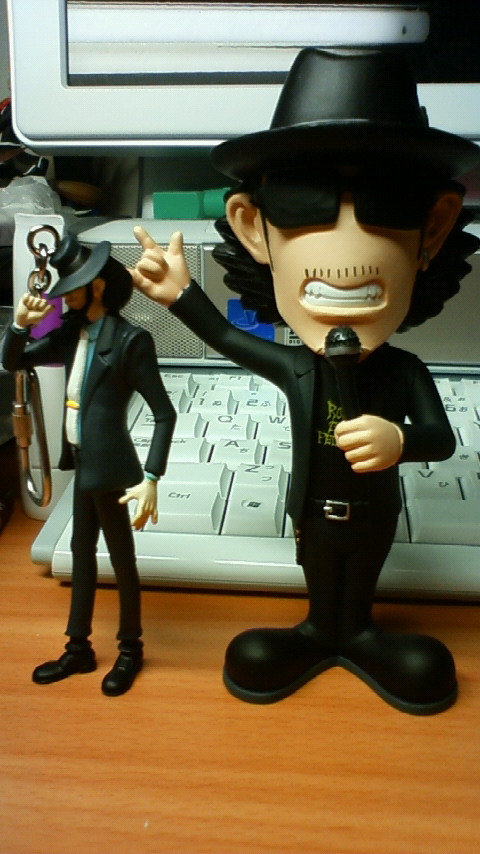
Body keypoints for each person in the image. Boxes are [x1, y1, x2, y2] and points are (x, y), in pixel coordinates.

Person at [131, 48, 480, 714]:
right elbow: (230, 339)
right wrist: (180, 295)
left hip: (375, 517)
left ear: (432, 230)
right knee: (322, 579)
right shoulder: (298, 366)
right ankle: (322, 632)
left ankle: (359, 633)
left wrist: (399, 441)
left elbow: (439, 438)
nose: (345, 238)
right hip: (314, 516)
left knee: (361, 580)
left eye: (385, 202)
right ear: (253, 228)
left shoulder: (403, 372)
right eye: (301, 203)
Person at [2, 234, 176, 696]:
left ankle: (130, 648)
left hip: (113, 472)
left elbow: (164, 413)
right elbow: (13, 362)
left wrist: (152, 477)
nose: (66, 296)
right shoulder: (68, 334)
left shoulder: (130, 340)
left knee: (121, 560)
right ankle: (78, 647)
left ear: (98, 286)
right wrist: (19, 326)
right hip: (82, 466)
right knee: (81, 553)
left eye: (74, 287)